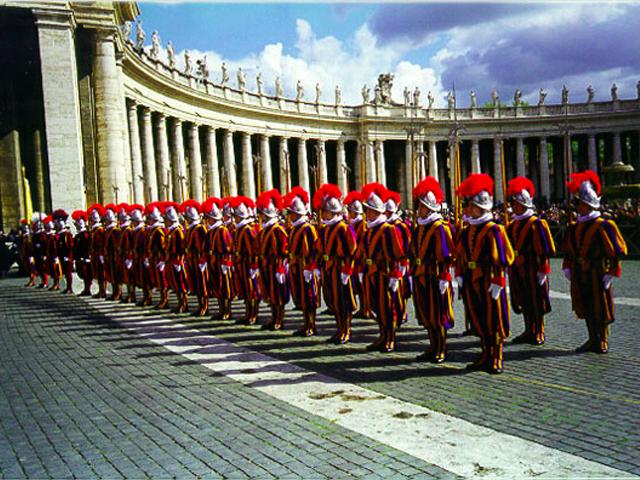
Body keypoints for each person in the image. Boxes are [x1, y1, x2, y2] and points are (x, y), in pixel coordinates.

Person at [562, 170, 627, 354]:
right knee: (586, 306)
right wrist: (567, 267)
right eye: (578, 204)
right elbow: (568, 251)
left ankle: (603, 340)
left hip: (598, 272)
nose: (579, 207)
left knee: (602, 308)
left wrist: (612, 271)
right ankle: (592, 338)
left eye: (582, 204)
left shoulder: (604, 225)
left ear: (590, 205)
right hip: (580, 273)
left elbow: (616, 251)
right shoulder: (574, 227)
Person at [455, 174, 514, 374]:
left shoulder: (494, 230)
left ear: (481, 207)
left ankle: (497, 357)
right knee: (478, 318)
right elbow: (460, 255)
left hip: (489, 280)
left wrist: (499, 280)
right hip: (472, 280)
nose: (467, 209)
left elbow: (503, 257)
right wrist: (460, 274)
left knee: (494, 319)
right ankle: (485, 354)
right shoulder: (467, 230)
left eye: (471, 205)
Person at [506, 177, 556, 345]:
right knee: (524, 300)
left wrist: (543, 269)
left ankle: (539, 331)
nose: (513, 206)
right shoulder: (512, 225)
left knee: (536, 301)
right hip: (518, 269)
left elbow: (545, 249)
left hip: (533, 268)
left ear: (524, 204)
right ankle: (528, 330)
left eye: (516, 203)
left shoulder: (537, 224)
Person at [411, 177, 455, 363]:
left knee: (438, 314)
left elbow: (447, 255)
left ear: (429, 207)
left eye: (421, 206)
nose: (418, 210)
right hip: (421, 276)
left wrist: (445, 277)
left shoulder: (439, 228)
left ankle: (441, 348)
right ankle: (432, 345)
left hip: (436, 277)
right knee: (426, 315)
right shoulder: (419, 228)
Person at [360, 183, 405, 352]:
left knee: (387, 307)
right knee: (376, 306)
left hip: (385, 274)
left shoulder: (389, 229)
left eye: (370, 211)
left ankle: (390, 339)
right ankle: (382, 335)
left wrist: (395, 275)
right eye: (367, 210)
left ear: (378, 212)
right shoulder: (369, 230)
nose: (367, 213)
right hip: (372, 274)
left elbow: (398, 254)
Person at [314, 184, 357, 344]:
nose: (323, 214)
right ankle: (339, 329)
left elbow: (351, 251)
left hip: (340, 270)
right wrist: (318, 266)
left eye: (325, 212)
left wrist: (347, 270)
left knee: (343, 301)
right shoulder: (325, 229)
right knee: (333, 301)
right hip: (328, 270)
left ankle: (346, 331)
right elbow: (319, 248)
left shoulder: (343, 228)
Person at [285, 187, 320, 336]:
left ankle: (311, 325)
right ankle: (306, 323)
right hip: (296, 267)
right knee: (301, 297)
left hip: (306, 268)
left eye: (291, 213)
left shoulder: (308, 228)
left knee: (309, 297)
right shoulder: (294, 229)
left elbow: (314, 250)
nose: (289, 216)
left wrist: (311, 267)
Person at [256, 189, 289, 330]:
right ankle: (273, 317)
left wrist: (281, 268)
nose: (261, 217)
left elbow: (284, 251)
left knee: (278, 295)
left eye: (263, 214)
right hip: (266, 266)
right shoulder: (264, 230)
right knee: (270, 294)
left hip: (275, 266)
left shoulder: (278, 230)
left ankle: (279, 319)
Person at [383, 189, 411, 326]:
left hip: (401, 264)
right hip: (391, 265)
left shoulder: (400, 225)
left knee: (403, 289)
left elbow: (406, 246)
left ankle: (403, 312)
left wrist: (404, 263)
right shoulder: (386, 226)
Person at [231, 196, 261, 325]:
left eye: (236, 216)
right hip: (241, 263)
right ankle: (248, 313)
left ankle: (253, 314)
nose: (235, 218)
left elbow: (253, 249)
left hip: (248, 264)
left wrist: (254, 265)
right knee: (245, 290)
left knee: (252, 290)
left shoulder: (248, 230)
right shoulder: (239, 229)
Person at [203, 197, 233, 320]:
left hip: (222, 262)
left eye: (208, 218)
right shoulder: (211, 231)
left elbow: (228, 247)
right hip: (213, 262)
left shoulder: (222, 230)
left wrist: (226, 262)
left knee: (225, 287)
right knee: (217, 286)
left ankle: (227, 310)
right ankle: (221, 309)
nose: (207, 220)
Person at [344, 191, 369, 319]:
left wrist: (357, 254)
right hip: (356, 259)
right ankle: (362, 307)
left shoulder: (363, 224)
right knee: (359, 287)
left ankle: (367, 309)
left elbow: (363, 243)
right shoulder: (352, 224)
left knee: (364, 286)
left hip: (362, 260)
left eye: (350, 211)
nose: (348, 213)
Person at [182, 200, 209, 316]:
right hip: (191, 259)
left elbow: (204, 245)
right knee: (195, 283)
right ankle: (200, 305)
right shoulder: (189, 230)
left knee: (202, 284)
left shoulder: (200, 229)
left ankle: (205, 306)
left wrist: (203, 259)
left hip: (199, 259)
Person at [164, 202, 189, 313]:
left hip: (177, 260)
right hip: (171, 259)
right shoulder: (171, 231)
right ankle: (180, 302)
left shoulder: (178, 231)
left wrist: (179, 260)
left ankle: (184, 303)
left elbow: (182, 246)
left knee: (181, 283)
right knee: (175, 283)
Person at [146, 202, 168, 309]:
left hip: (159, 259)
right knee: (157, 280)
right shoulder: (152, 230)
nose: (148, 220)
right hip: (154, 259)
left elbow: (163, 246)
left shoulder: (159, 231)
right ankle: (161, 299)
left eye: (150, 218)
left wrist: (163, 260)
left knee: (162, 280)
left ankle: (164, 299)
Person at [120, 204, 144, 304]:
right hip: (132, 257)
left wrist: (129, 257)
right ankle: (131, 294)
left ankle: (143, 296)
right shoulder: (132, 231)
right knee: (129, 277)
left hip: (139, 257)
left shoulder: (136, 231)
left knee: (139, 278)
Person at [87, 204, 107, 298]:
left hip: (99, 254)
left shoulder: (100, 230)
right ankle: (100, 290)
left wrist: (101, 254)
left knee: (102, 273)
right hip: (95, 255)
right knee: (98, 273)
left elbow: (101, 243)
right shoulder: (93, 230)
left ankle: (103, 291)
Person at [52, 209, 74, 294]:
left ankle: (70, 287)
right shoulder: (59, 234)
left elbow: (70, 245)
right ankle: (67, 286)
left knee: (68, 272)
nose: (58, 223)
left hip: (67, 257)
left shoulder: (66, 234)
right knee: (65, 272)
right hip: (61, 256)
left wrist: (68, 256)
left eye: (60, 221)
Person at [72, 210, 93, 296]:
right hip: (79, 258)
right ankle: (86, 289)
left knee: (87, 274)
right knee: (82, 274)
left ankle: (88, 289)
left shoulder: (86, 234)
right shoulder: (78, 235)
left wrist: (87, 256)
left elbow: (88, 245)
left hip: (85, 257)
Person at [43, 215, 60, 291]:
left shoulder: (54, 236)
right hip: (49, 255)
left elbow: (55, 246)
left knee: (55, 270)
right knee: (52, 270)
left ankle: (57, 284)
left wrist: (56, 256)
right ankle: (54, 283)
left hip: (54, 255)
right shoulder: (48, 235)